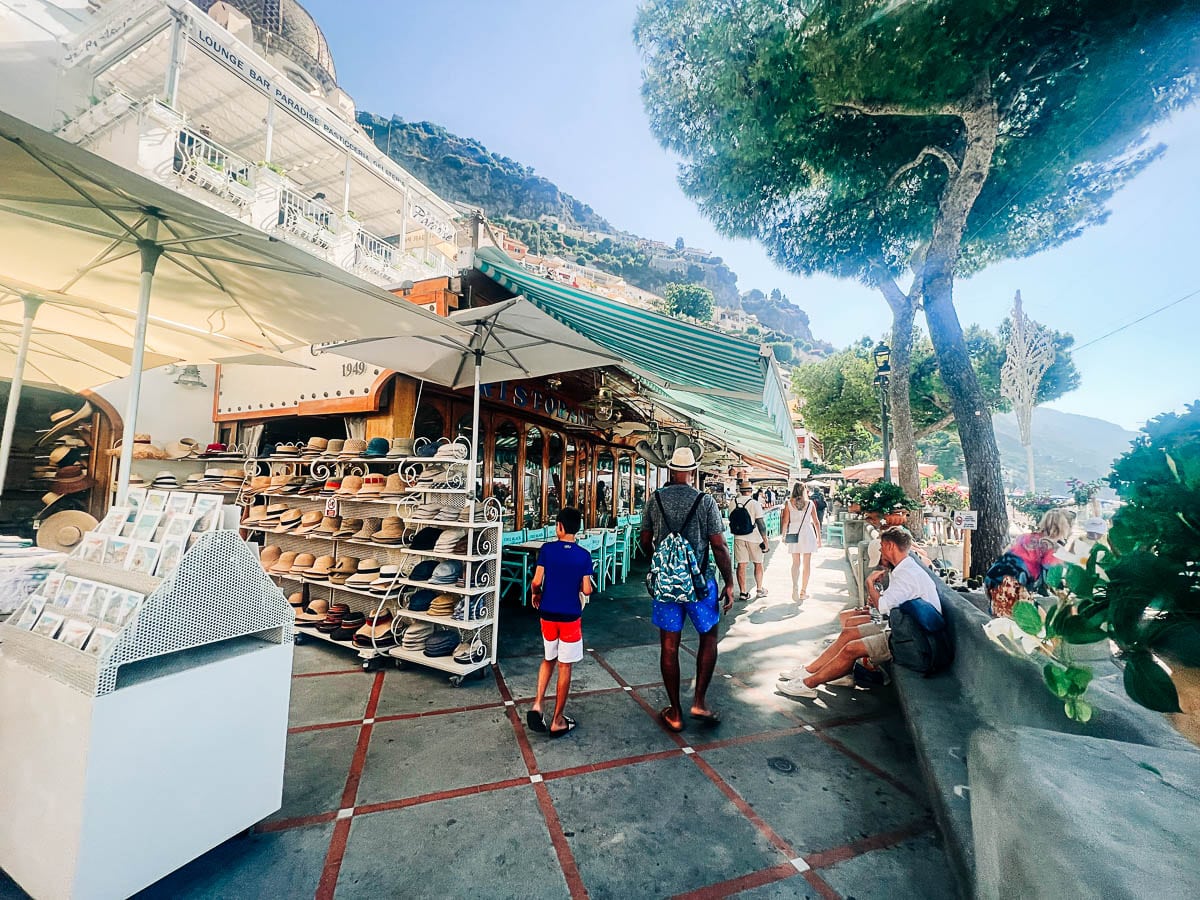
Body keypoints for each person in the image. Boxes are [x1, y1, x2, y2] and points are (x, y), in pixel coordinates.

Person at [778, 527, 939, 698]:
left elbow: (883, 607)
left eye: (882, 546)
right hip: (905, 628)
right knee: (849, 633)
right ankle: (810, 671)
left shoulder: (906, 574)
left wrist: (870, 584)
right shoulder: (904, 568)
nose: (880, 550)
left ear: (890, 546)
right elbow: (891, 603)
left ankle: (807, 684)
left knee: (850, 649)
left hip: (915, 640)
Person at [640, 447, 735, 732]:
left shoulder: (655, 500)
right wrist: (729, 582)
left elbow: (645, 541)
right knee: (709, 637)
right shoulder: (705, 502)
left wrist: (661, 562)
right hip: (701, 583)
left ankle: (676, 712)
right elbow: (718, 545)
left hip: (667, 587)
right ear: (693, 471)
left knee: (669, 646)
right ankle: (699, 701)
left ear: (670, 470)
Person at [528, 507, 594, 738]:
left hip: (547, 614)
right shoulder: (584, 555)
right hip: (570, 618)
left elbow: (536, 581)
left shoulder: (547, 550)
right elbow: (586, 588)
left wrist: (536, 594)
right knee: (565, 666)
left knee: (548, 658)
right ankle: (557, 720)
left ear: (560, 526)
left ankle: (537, 704)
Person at [984, 509, 1073, 618]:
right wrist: (1066, 598)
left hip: (992, 578)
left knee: (1002, 619)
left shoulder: (1024, 537)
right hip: (1012, 584)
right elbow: (1052, 580)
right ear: (1064, 528)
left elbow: (1005, 553)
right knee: (1034, 623)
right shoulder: (1053, 548)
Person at [780, 482, 821, 601]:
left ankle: (795, 587)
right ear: (804, 491)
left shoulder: (788, 503)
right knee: (806, 564)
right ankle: (803, 591)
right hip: (807, 533)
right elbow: (816, 522)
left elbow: (785, 521)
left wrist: (783, 535)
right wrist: (819, 538)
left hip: (794, 533)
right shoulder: (810, 503)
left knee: (795, 563)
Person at [731, 481, 770, 602]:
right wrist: (765, 540)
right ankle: (759, 589)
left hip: (738, 537)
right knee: (758, 563)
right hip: (754, 538)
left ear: (740, 490)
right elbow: (761, 524)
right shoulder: (754, 503)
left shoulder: (733, 503)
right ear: (751, 491)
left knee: (741, 564)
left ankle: (743, 592)